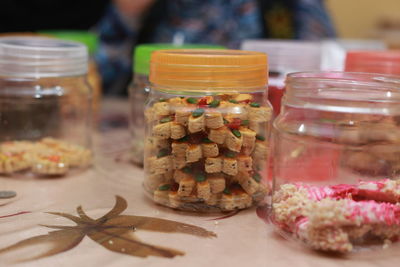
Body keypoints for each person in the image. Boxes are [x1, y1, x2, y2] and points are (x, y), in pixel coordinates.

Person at [96, 0, 336, 95]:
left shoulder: (291, 7)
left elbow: (323, 75)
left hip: (258, 134)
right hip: (156, 128)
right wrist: (128, 12)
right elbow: (102, 83)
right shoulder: (162, 9)